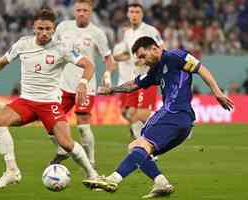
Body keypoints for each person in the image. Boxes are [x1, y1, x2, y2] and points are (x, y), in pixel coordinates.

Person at [82, 36, 234, 198]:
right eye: (138, 58)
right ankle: (161, 182)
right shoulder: (155, 70)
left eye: (143, 56)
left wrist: (217, 93)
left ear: (154, 49)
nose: (142, 61)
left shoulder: (175, 56)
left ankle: (113, 179)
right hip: (183, 122)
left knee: (141, 145)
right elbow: (133, 85)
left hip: (174, 113)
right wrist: (111, 90)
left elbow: (200, 68)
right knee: (136, 148)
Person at [0, 9, 98, 189]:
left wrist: (83, 82)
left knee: (67, 144)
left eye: (48, 29)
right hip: (26, 101)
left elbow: (88, 65)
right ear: (33, 28)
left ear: (53, 29)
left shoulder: (62, 48)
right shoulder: (23, 44)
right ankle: (11, 171)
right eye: (40, 28)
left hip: (50, 103)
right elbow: (0, 63)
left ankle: (93, 175)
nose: (44, 32)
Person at [49, 0, 115, 167]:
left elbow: (108, 59)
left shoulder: (97, 33)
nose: (81, 13)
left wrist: (107, 75)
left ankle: (91, 162)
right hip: (63, 85)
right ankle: (62, 149)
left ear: (90, 12)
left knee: (82, 127)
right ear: (73, 11)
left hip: (86, 86)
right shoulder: (63, 27)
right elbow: (52, 49)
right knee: (50, 122)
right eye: (78, 10)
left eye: (85, 10)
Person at [113, 3, 163, 139]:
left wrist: (146, 60)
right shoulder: (128, 33)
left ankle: (149, 145)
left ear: (142, 14)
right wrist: (114, 58)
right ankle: (142, 143)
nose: (134, 15)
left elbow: (161, 50)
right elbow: (129, 54)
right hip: (135, 78)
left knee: (140, 115)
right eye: (132, 12)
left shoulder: (150, 30)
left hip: (148, 77)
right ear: (128, 15)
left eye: (137, 12)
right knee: (128, 113)